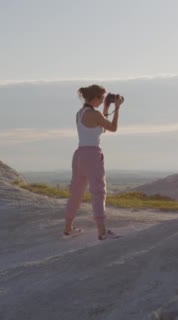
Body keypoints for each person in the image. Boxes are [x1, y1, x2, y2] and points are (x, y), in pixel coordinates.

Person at [63, 84, 122, 240]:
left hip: (79, 155)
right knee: (98, 192)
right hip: (92, 155)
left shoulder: (80, 113)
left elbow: (101, 127)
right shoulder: (95, 114)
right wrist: (117, 108)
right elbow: (113, 128)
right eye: (102, 98)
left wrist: (107, 108)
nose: (103, 100)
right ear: (95, 97)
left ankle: (68, 228)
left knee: (76, 191)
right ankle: (102, 232)